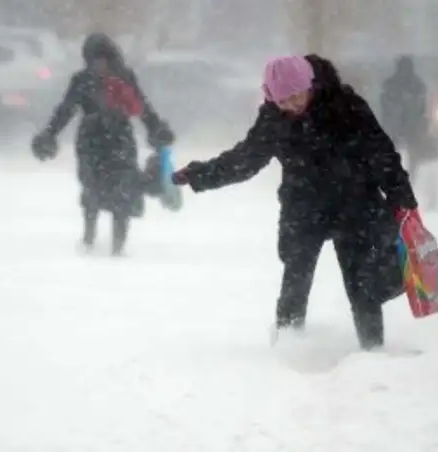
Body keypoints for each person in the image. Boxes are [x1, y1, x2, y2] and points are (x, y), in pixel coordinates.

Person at [170, 54, 422, 350]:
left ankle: (372, 348)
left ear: (310, 85)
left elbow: (383, 155)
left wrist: (402, 200)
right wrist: (201, 174)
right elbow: (246, 158)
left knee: (362, 283)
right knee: (295, 280)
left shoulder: (347, 106)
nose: (290, 106)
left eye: (295, 97)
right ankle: (289, 348)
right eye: (282, 101)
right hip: (303, 206)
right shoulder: (273, 118)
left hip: (354, 203)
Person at [31, 32, 175, 256]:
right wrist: (50, 133)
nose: (99, 65)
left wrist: (156, 129)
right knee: (92, 191)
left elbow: (143, 107)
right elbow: (66, 109)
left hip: (120, 141)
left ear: (112, 58)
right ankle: (89, 239)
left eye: (103, 59)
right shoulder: (81, 80)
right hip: (91, 144)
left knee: (123, 192)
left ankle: (118, 247)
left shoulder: (125, 78)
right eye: (94, 60)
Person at [379, 55, 438, 183]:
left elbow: (422, 106)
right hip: (400, 123)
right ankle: (399, 174)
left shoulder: (414, 84)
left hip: (409, 123)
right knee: (399, 150)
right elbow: (386, 103)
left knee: (409, 151)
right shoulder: (394, 83)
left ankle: (407, 175)